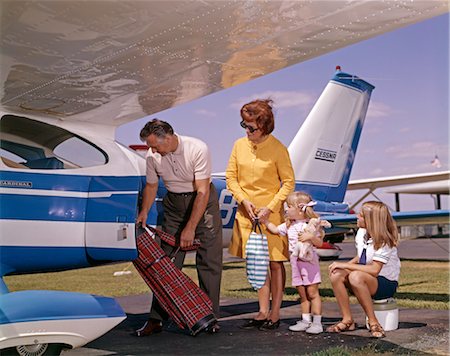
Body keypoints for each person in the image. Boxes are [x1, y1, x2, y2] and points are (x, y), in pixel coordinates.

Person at [135, 119, 223, 336]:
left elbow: (202, 191)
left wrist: (191, 228)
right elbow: (152, 185)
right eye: (150, 146)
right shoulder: (152, 156)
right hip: (174, 205)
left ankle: (209, 318)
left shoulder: (197, 148)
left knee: (209, 262)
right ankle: (156, 320)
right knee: (164, 264)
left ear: (170, 137)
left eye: (156, 145)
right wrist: (144, 212)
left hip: (202, 202)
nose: (152, 150)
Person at [226, 99, 295, 330]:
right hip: (247, 214)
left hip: (271, 216)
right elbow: (231, 178)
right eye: (243, 125)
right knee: (257, 262)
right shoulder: (238, 145)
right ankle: (262, 310)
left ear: (264, 126)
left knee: (275, 263)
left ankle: (275, 312)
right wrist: (244, 201)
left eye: (251, 127)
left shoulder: (278, 149)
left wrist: (270, 208)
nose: (247, 131)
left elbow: (288, 183)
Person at [327, 201, 401, 338]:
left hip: (385, 283)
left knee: (356, 276)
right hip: (366, 277)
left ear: (371, 220)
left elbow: (374, 270)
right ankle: (347, 320)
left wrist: (345, 265)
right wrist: (343, 267)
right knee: (336, 274)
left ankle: (374, 322)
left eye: (360, 216)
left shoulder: (384, 241)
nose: (357, 217)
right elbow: (361, 255)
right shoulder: (361, 233)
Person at [262, 191, 326, 334]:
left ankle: (317, 322)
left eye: (289, 206)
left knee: (312, 292)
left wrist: (311, 237)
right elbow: (275, 230)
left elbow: (320, 243)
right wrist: (266, 221)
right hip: (296, 263)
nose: (286, 209)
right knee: (302, 293)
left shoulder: (310, 225)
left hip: (309, 263)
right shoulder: (289, 226)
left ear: (300, 209)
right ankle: (305, 320)